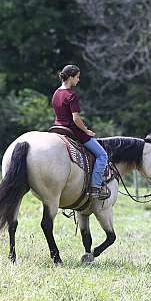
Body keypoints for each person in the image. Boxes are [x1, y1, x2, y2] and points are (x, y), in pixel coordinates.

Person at [52, 64, 110, 200]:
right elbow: (76, 118)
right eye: (77, 77)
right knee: (103, 155)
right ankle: (95, 187)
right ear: (71, 77)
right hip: (73, 131)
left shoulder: (56, 93)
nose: (78, 80)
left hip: (58, 128)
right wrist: (86, 131)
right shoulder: (71, 95)